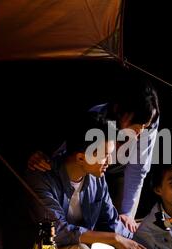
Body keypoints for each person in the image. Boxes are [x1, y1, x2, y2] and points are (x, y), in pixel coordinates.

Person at [27, 71, 160, 233]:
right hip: (88, 169)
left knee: (116, 222)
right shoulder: (96, 117)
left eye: (145, 126)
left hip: (116, 174)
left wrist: (127, 214)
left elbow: (138, 169)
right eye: (137, 124)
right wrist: (44, 165)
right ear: (119, 109)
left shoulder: (147, 125)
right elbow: (71, 153)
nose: (140, 131)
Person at [23, 117, 152, 249]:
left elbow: (111, 221)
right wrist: (114, 239)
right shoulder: (41, 178)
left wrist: (144, 241)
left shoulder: (96, 178)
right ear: (80, 158)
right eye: (105, 156)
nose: (110, 162)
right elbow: (58, 231)